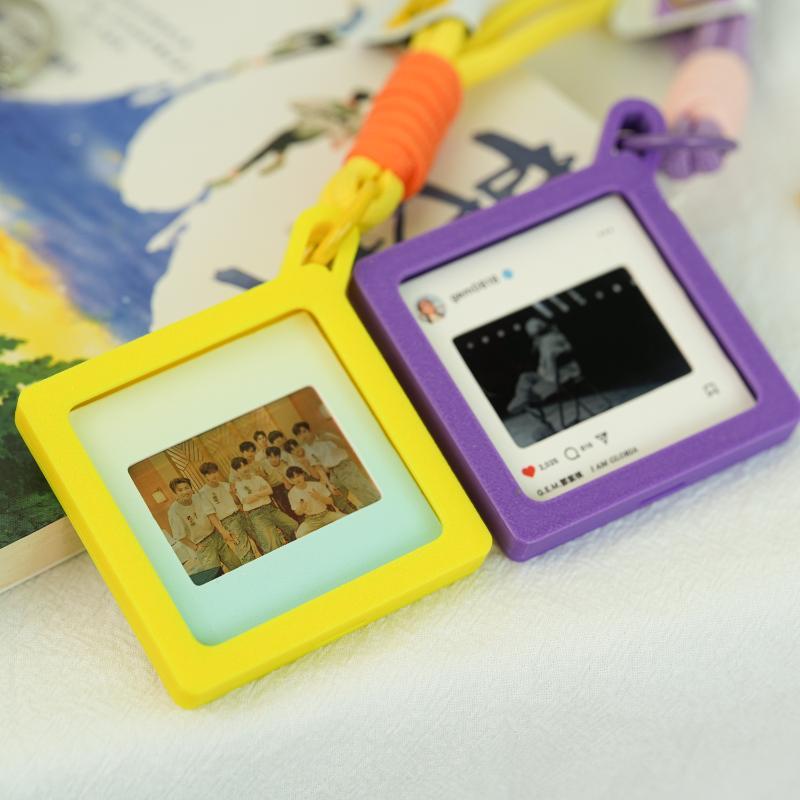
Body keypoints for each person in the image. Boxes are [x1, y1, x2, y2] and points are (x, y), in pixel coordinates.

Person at [166, 477, 244, 585]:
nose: (185, 492)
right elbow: (179, 536)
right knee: (216, 577)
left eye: (186, 488)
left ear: (191, 488)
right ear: (175, 493)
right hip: (202, 545)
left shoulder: (198, 497)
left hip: (215, 536)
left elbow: (210, 514)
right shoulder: (174, 511)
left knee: (236, 565)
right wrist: (195, 547)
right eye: (180, 490)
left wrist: (223, 532)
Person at [293, 421, 380, 509]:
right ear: (298, 437)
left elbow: (345, 444)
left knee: (360, 487)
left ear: (310, 431)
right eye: (299, 434)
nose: (303, 435)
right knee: (339, 495)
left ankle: (376, 502)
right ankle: (365, 506)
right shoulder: (307, 449)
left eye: (304, 431)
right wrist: (329, 484)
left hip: (344, 465)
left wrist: (333, 439)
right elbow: (318, 467)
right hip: (333, 472)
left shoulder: (325, 437)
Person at [231, 457, 298, 552]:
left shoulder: (257, 478)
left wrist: (254, 494)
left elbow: (270, 490)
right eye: (240, 467)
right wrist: (261, 492)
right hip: (256, 514)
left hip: (270, 508)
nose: (244, 468)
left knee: (294, 526)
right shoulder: (238, 484)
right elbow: (247, 500)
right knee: (272, 543)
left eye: (245, 465)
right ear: (236, 471)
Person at [197, 462, 255, 564]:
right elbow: (211, 515)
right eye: (210, 473)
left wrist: (233, 494)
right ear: (205, 476)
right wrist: (223, 531)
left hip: (241, 514)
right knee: (244, 548)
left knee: (259, 538)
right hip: (228, 521)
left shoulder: (225, 485)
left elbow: (238, 502)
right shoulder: (203, 493)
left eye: (215, 471)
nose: (214, 475)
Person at [286, 466, 344, 538]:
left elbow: (330, 501)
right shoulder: (292, 493)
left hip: (326, 514)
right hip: (311, 520)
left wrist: (319, 497)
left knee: (343, 517)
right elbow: (298, 513)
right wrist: (301, 508)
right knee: (299, 535)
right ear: (290, 480)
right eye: (293, 478)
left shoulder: (316, 485)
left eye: (298, 476)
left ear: (303, 474)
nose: (297, 479)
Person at [261, 445, 296, 518]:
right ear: (267, 458)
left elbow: (289, 485)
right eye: (270, 457)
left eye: (276, 456)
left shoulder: (284, 465)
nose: (273, 459)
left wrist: (284, 480)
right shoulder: (264, 465)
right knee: (281, 498)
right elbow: (262, 480)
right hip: (272, 488)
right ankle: (291, 517)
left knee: (289, 494)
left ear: (280, 456)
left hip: (284, 484)